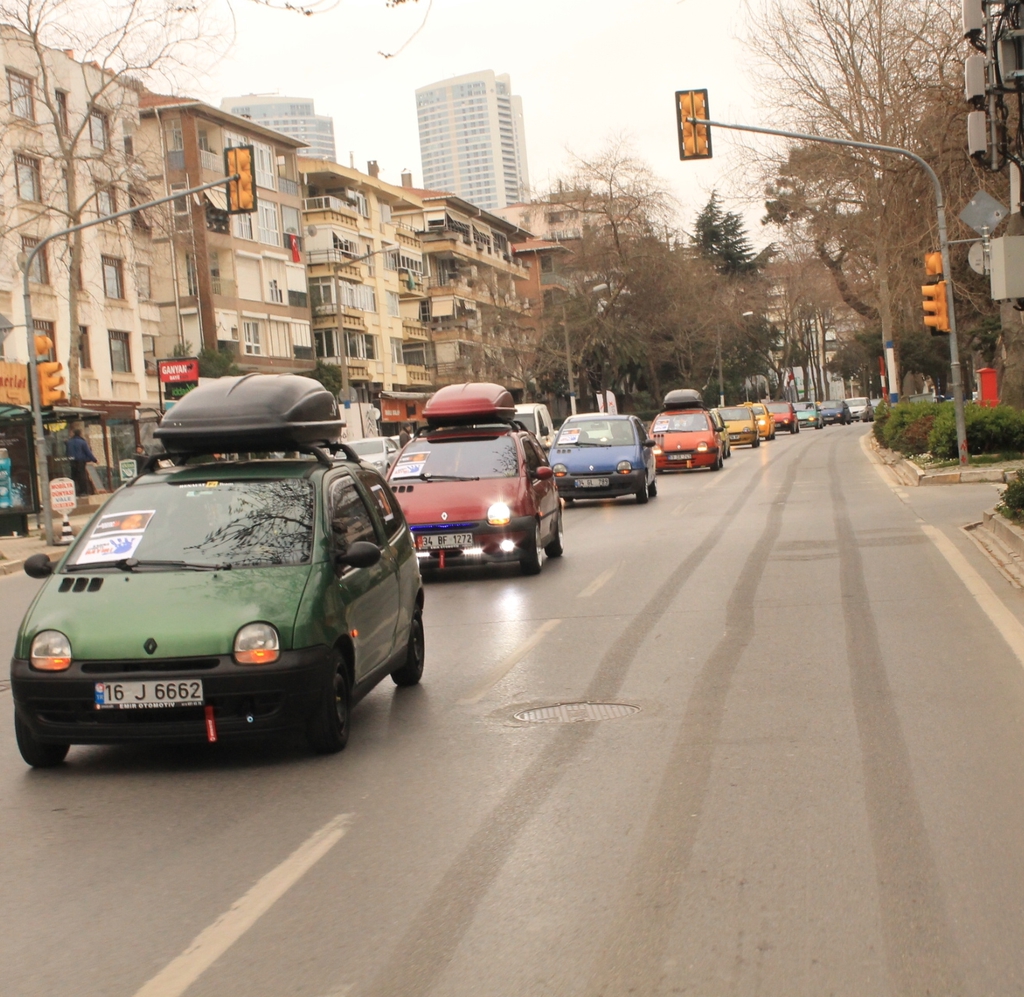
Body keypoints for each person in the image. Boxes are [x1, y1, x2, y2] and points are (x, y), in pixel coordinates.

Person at [66, 429, 97, 496]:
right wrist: (95, 460)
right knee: (82, 477)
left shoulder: (69, 442)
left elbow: (67, 453)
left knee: (74, 477)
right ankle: (83, 492)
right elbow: (88, 452)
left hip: (72, 462)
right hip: (81, 462)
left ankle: (74, 492)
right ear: (80, 434)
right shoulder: (82, 442)